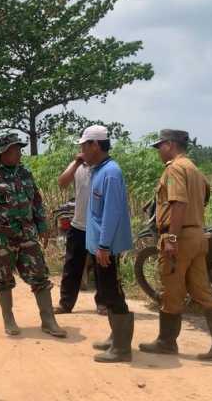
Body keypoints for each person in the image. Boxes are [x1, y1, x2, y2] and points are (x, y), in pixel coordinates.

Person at [139, 129, 212, 361]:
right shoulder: (194, 169)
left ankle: (166, 342)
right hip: (197, 236)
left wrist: (171, 237)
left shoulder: (174, 169)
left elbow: (178, 203)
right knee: (202, 290)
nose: (158, 151)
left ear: (171, 145)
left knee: (171, 289)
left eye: (160, 146)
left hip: (179, 238)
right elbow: (203, 199)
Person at [0, 133, 66, 338]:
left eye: (19, 148)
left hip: (27, 234)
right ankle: (9, 319)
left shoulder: (25, 173)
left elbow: (36, 200)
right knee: (3, 278)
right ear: (3, 153)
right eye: (15, 149)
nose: (19, 152)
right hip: (1, 237)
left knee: (40, 276)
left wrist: (43, 225)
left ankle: (48, 320)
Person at [76, 126, 134, 363]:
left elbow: (111, 213)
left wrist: (103, 246)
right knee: (107, 292)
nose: (82, 151)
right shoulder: (98, 170)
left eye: (84, 146)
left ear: (96, 145)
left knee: (113, 292)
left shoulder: (111, 173)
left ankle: (122, 349)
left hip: (106, 247)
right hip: (100, 246)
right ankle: (115, 337)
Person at [55, 147, 107, 316]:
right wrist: (77, 162)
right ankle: (65, 304)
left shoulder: (104, 168)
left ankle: (103, 304)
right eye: (82, 147)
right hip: (78, 225)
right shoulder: (77, 166)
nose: (83, 150)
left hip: (98, 227)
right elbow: (62, 183)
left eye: (86, 146)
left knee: (102, 268)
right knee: (71, 267)